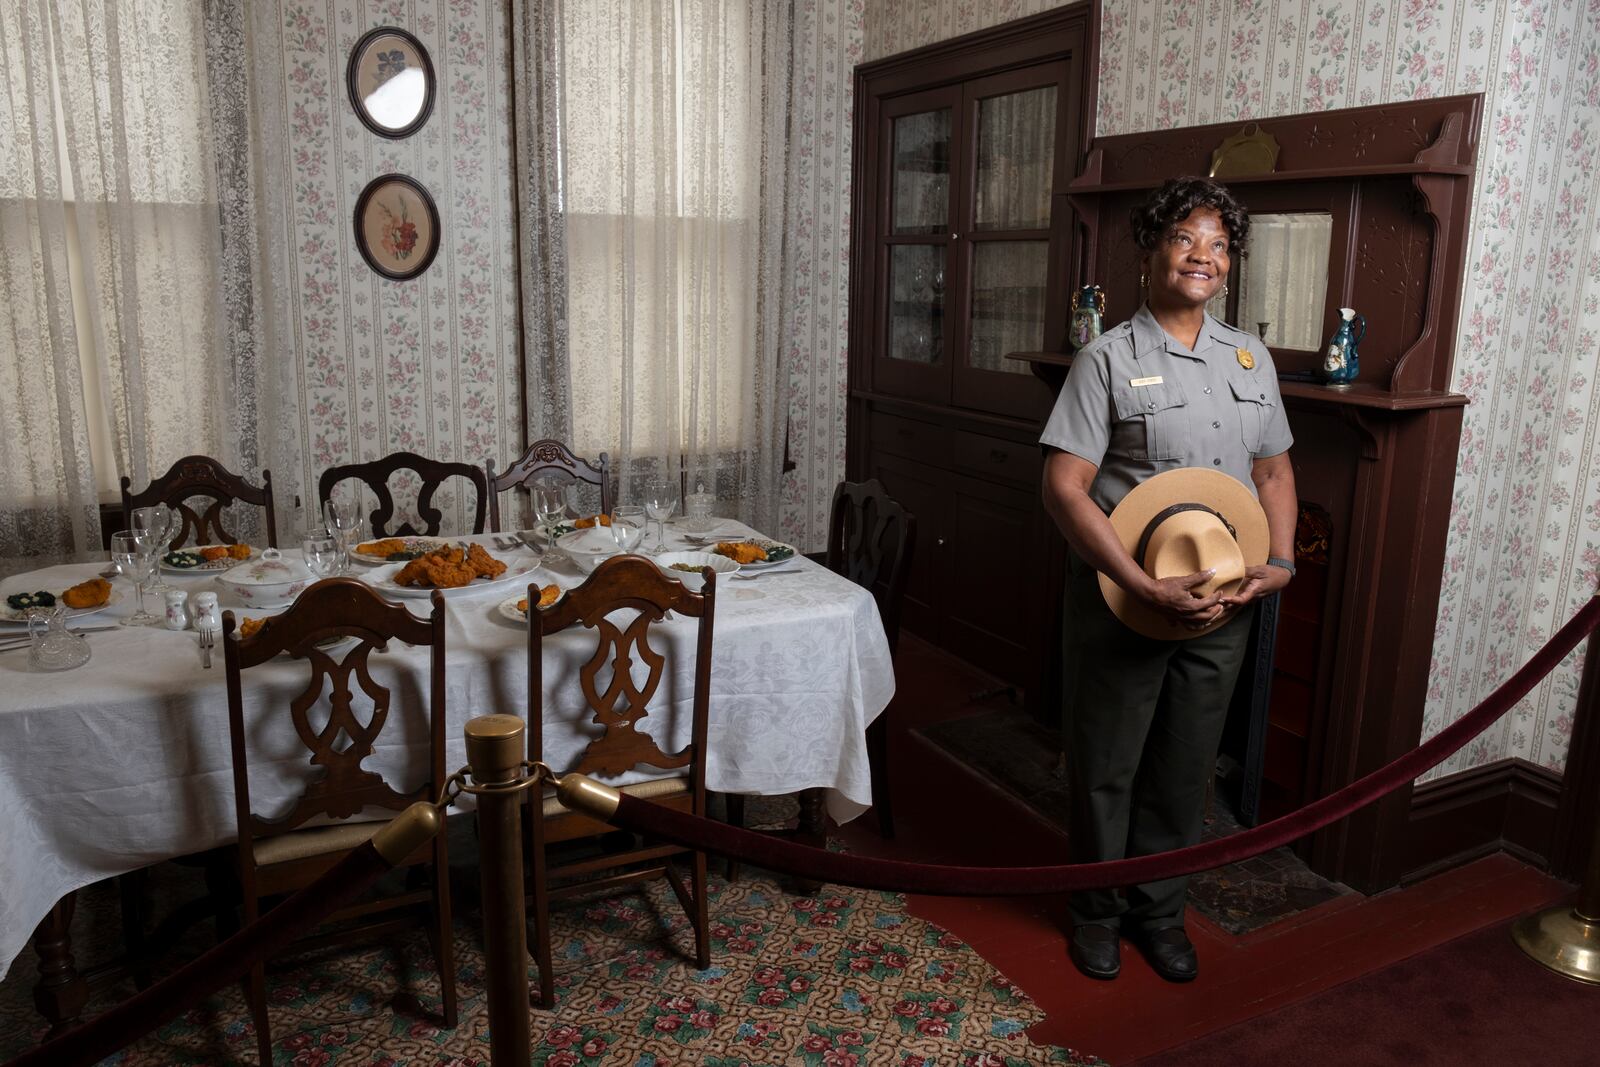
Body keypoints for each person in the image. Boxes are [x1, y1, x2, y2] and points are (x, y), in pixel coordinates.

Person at [1039, 176, 1298, 982]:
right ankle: (1095, 912)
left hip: (1222, 603)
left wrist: (1281, 562)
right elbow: (1064, 486)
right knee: (1106, 765)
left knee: (1185, 769)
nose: (1203, 257)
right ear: (1152, 249)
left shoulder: (1250, 361)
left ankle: (1159, 912)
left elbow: (1276, 473)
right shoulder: (1107, 358)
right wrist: (1137, 583)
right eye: (1187, 238)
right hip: (1124, 600)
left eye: (1219, 245)